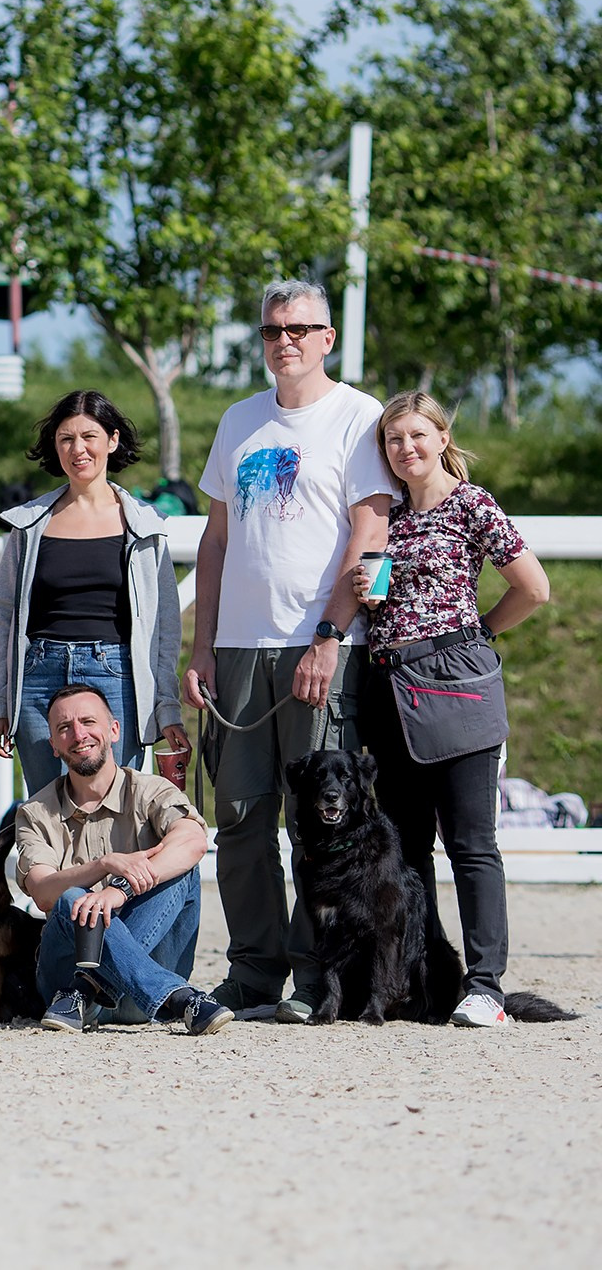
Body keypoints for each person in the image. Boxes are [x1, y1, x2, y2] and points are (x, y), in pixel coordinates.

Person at [184, 278, 397, 1024]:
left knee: (319, 822)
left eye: (300, 328)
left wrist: (330, 637)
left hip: (318, 645)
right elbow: (215, 541)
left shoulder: (358, 417)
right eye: (273, 329)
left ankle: (316, 976)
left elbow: (371, 539)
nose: (286, 341)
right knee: (241, 816)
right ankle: (253, 972)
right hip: (239, 647)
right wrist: (204, 645)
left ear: (327, 338)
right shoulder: (239, 420)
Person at [354, 391, 550, 1028]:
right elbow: (377, 600)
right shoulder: (387, 518)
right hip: (389, 686)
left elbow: (534, 588)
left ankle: (486, 984)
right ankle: (423, 979)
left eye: (416, 435)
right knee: (406, 848)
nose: (404, 448)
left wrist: (480, 630)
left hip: (456, 681)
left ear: (441, 438)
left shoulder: (472, 504)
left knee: (471, 843)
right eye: (392, 439)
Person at [0, 389, 187, 795]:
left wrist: (166, 706)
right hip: (38, 678)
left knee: (112, 810)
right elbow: (2, 615)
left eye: (89, 436)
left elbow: (165, 624)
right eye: (66, 439)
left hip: (116, 677)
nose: (78, 449)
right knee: (46, 811)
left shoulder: (145, 526)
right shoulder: (29, 526)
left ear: (112, 441)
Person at [16, 684, 233, 1035]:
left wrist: (120, 890)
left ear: (114, 730)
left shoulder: (151, 790)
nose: (78, 734)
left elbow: (193, 839)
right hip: (65, 988)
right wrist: (104, 865)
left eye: (88, 721)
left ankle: (91, 986)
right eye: (64, 728)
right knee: (71, 897)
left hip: (126, 996)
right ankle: (179, 998)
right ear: (53, 745)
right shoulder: (36, 812)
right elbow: (41, 891)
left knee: (181, 871)